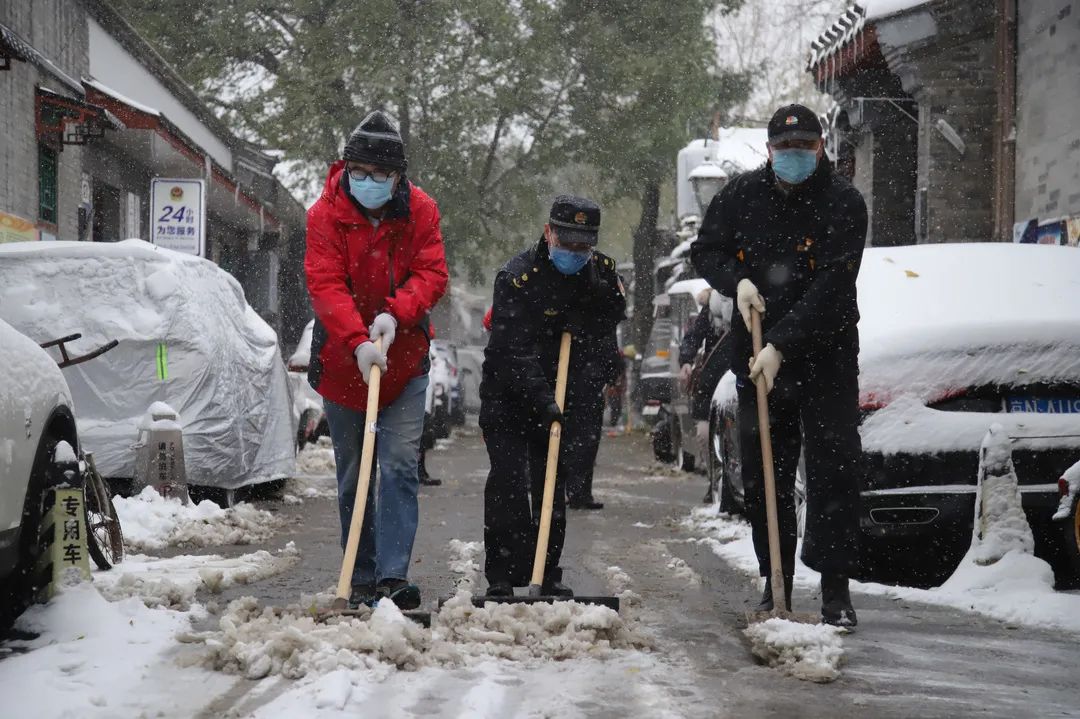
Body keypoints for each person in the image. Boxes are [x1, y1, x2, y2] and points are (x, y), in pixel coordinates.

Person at [690, 103, 867, 627]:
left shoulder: (843, 202)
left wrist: (783, 344)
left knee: (835, 467)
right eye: (785, 148)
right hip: (758, 355)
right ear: (769, 150)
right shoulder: (742, 196)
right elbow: (707, 251)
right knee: (768, 468)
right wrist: (736, 282)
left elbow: (834, 286)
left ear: (821, 148)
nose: (794, 156)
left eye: (805, 147)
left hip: (827, 355)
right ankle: (776, 582)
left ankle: (836, 590)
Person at [305, 110, 448, 609]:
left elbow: (432, 274)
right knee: (354, 472)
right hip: (345, 366)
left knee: (399, 465)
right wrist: (357, 339)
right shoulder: (324, 214)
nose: (367, 182)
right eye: (358, 173)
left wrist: (396, 314)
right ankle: (358, 572)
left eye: (379, 175)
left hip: (405, 360)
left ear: (398, 177)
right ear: (346, 169)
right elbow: (325, 283)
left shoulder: (422, 212)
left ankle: (392, 575)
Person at [480, 195, 626, 596]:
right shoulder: (517, 277)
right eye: (567, 243)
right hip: (509, 393)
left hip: (561, 394)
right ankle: (502, 576)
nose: (574, 252)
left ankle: (544, 572)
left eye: (583, 245)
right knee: (508, 482)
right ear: (548, 233)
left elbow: (604, 336)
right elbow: (513, 352)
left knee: (550, 486)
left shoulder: (599, 274)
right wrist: (545, 401)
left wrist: (578, 394)